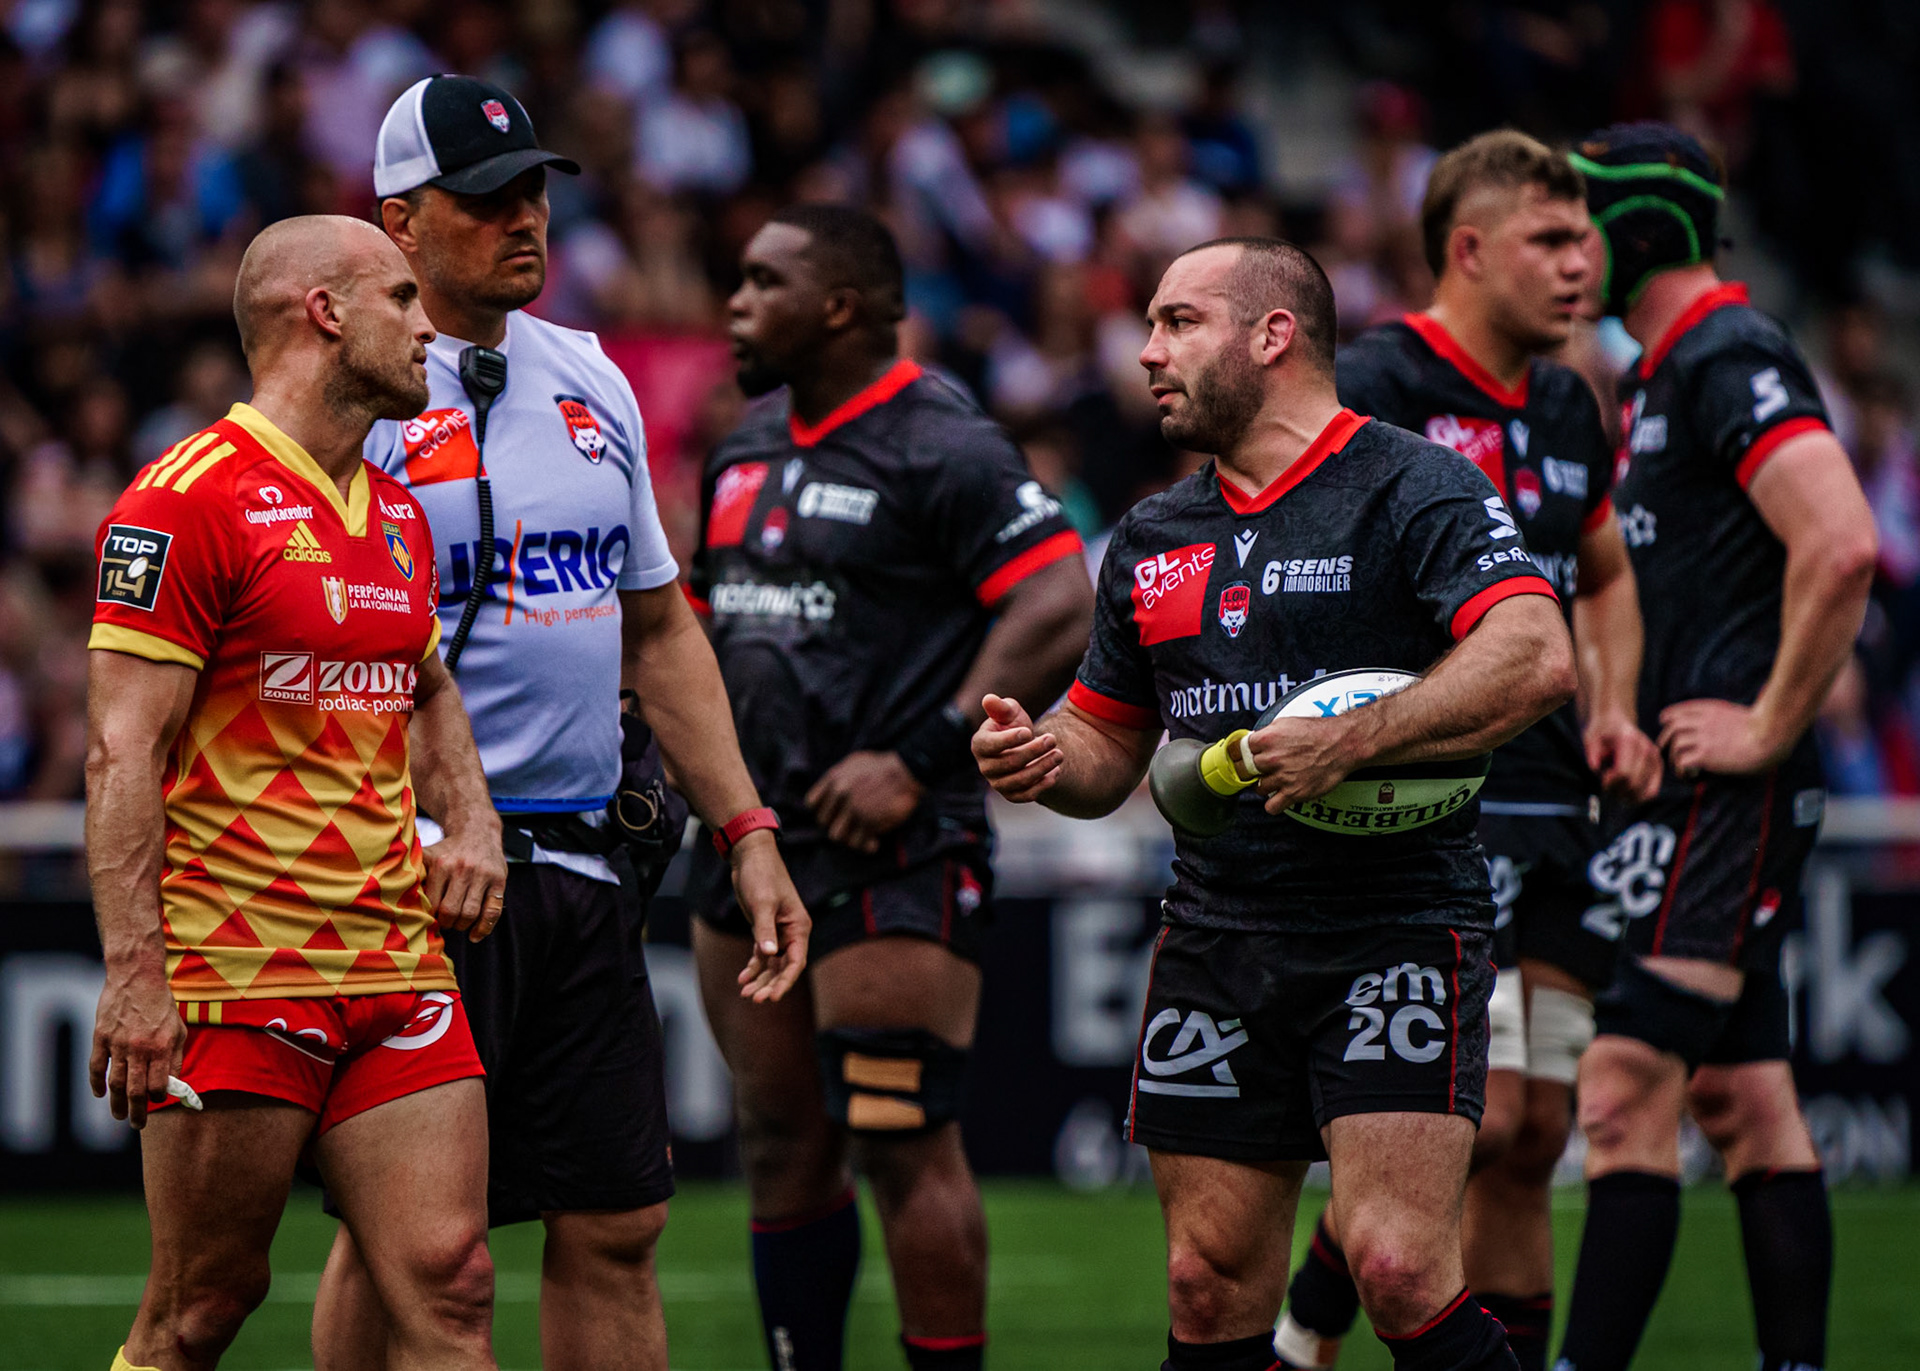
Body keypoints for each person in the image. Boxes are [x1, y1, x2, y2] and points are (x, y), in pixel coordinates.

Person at [976, 236, 1578, 1371]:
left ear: (1273, 335)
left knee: (1397, 1269)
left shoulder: (1414, 485)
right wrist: (1041, 754)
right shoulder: (1153, 535)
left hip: (1398, 922)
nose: (1147, 352)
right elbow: (1108, 744)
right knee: (1205, 1286)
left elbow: (1536, 653)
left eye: (1177, 322)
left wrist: (1354, 739)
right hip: (1220, 935)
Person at [309, 77, 811, 1371]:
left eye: (532, 191)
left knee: (618, 1222)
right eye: (487, 201)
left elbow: (659, 627)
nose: (524, 218)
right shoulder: (346, 393)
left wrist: (747, 828)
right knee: (414, 1237)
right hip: (417, 873)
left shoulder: (592, 375)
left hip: (584, 866)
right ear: (399, 222)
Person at [85, 214, 507, 1371]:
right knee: (200, 1312)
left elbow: (427, 688)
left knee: (454, 1285)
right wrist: (135, 975)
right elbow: (121, 751)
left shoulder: (397, 510)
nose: (428, 328)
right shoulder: (184, 499)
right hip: (239, 970)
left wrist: (473, 820)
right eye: (402, 299)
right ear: (325, 312)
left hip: (397, 964)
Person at [1270, 132, 1662, 1371]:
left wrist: (1612, 704)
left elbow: (1605, 572)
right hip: (1438, 800)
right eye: (1552, 241)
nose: (1583, 264)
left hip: (1557, 802)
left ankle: (1334, 1331)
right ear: (1471, 250)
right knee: (1475, 1127)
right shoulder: (1375, 381)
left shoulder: (1568, 401)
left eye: (1586, 239)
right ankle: (1305, 1329)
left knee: (1539, 1131)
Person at [688, 202, 1094, 1371]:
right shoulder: (743, 446)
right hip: (750, 842)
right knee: (780, 1145)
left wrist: (920, 758)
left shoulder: (943, 441)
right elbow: (705, 624)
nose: (736, 303)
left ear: (840, 306)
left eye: (763, 282)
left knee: (899, 1134)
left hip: (891, 851)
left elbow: (1057, 602)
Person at [1551, 123, 1875, 1371]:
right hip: (1684, 787)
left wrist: (1771, 725)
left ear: (1638, 229)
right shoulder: (1660, 373)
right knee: (1745, 1103)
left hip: (1726, 791)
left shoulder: (1728, 354)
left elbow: (1841, 542)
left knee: (1622, 1086)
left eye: (1580, 225)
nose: (1566, 254)